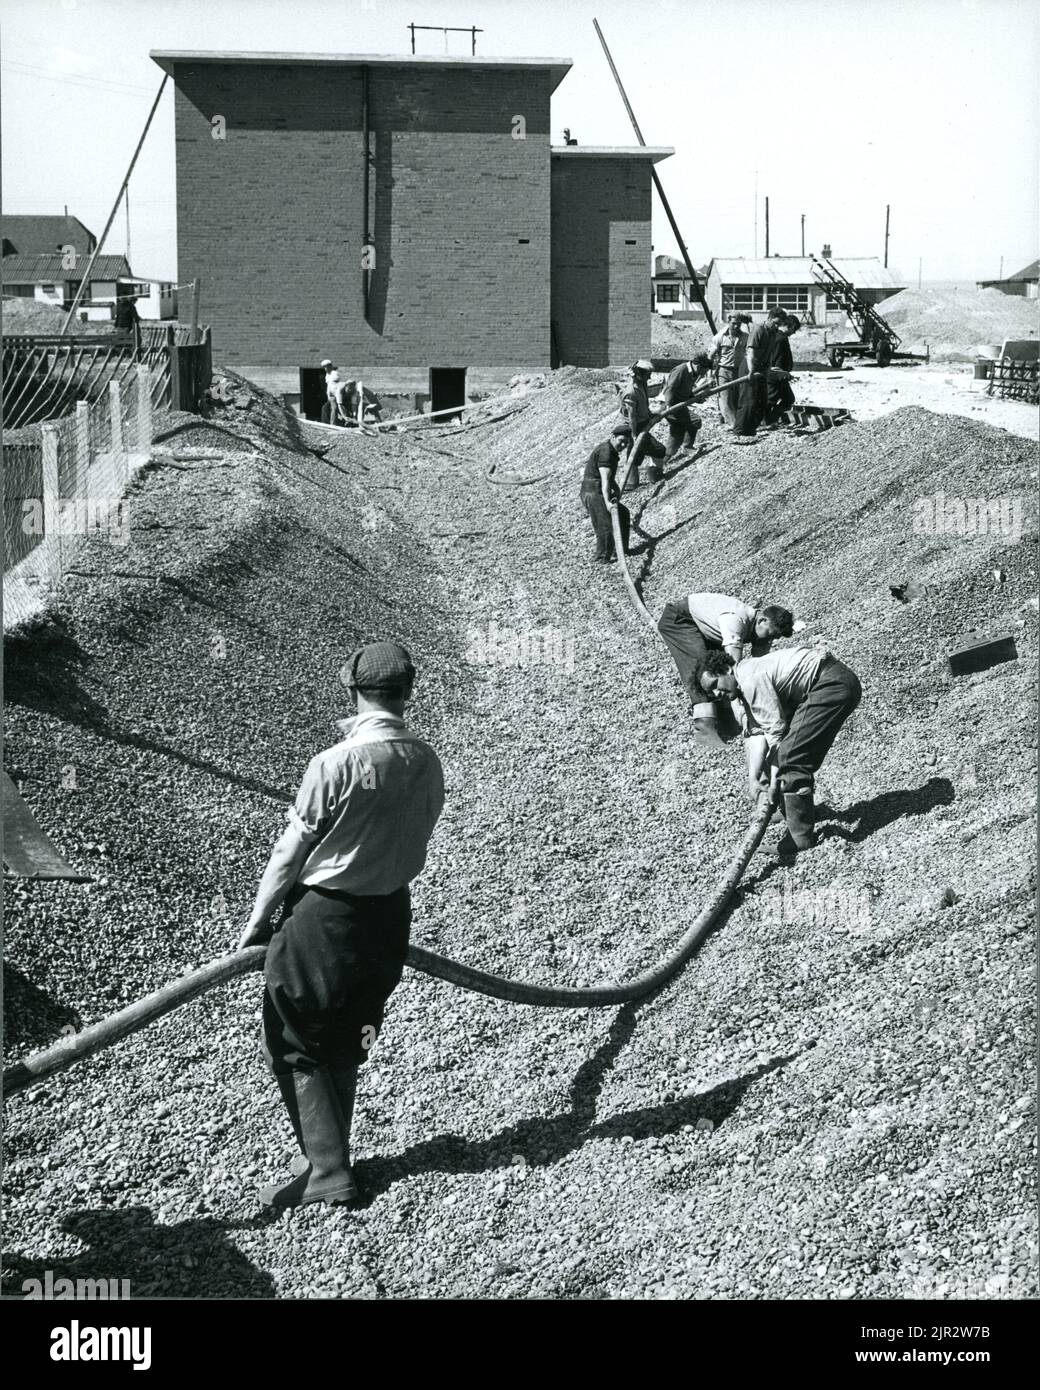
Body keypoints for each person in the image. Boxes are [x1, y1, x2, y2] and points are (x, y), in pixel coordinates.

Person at [237, 641, 445, 1208]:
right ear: (407, 693)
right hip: (389, 916)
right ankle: (329, 1160)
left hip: (325, 919)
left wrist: (258, 923)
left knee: (294, 1036)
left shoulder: (334, 763)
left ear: (351, 689)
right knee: (351, 1035)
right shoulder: (426, 760)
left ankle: (327, 1170)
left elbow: (288, 854)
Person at [697, 644, 862, 850]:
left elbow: (776, 734)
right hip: (830, 684)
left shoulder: (750, 679)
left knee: (790, 757)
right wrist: (753, 779)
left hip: (831, 683)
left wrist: (774, 783)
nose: (716, 693)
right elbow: (758, 733)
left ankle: (799, 838)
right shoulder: (744, 682)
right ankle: (793, 809)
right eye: (711, 693)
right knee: (784, 754)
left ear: (726, 670)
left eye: (715, 685)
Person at [657, 591, 794, 704]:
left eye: (774, 638)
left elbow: (759, 666)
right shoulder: (735, 621)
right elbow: (733, 666)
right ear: (762, 620)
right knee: (704, 669)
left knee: (721, 673)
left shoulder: (760, 629)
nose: (770, 640)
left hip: (707, 628)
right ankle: (705, 723)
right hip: (680, 619)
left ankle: (725, 712)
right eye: (770, 635)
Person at [733, 307, 786, 437]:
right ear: (769, 318)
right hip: (749, 366)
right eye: (775, 323)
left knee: (761, 401)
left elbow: (768, 354)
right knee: (748, 401)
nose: (777, 326)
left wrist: (767, 370)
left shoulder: (773, 333)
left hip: (762, 369)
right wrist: (751, 372)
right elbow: (750, 352)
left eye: (779, 324)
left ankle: (751, 430)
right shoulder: (759, 329)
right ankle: (739, 432)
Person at [580, 430, 632, 563]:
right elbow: (605, 480)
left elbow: (608, 477)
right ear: (613, 437)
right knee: (605, 525)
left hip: (597, 488)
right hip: (593, 492)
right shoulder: (606, 453)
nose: (623, 445)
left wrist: (616, 488)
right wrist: (608, 502)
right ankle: (601, 558)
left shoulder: (610, 450)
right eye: (621, 441)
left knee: (623, 514)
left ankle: (620, 551)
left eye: (626, 443)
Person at [617, 359, 667, 488]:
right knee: (659, 450)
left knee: (636, 453)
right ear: (639, 374)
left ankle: (631, 482)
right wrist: (634, 435)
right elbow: (632, 416)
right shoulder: (631, 392)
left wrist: (650, 415)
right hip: (634, 427)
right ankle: (654, 476)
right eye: (647, 374)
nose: (650, 377)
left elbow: (643, 405)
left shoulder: (642, 385)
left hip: (641, 423)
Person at [660, 352, 713, 460]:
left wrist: (696, 398)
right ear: (698, 366)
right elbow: (670, 388)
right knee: (695, 421)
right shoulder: (681, 370)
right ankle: (687, 447)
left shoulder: (692, 372)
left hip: (678, 404)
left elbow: (685, 390)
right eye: (703, 372)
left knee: (677, 432)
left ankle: (663, 460)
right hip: (671, 405)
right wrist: (669, 407)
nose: (703, 375)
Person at [712, 315, 749, 428]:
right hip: (723, 370)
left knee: (737, 397)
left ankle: (729, 419)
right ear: (728, 322)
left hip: (739, 371)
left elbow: (749, 352)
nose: (736, 326)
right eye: (733, 323)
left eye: (738, 323)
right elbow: (712, 355)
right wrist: (711, 372)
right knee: (725, 398)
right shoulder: (720, 337)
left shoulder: (745, 337)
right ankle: (734, 425)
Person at [764, 314, 798, 427]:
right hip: (777, 375)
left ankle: (770, 420)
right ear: (790, 326)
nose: (794, 333)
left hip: (778, 374)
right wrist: (780, 374)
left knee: (787, 398)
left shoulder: (777, 336)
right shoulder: (781, 338)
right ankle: (765, 421)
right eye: (794, 329)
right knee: (772, 399)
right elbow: (778, 358)